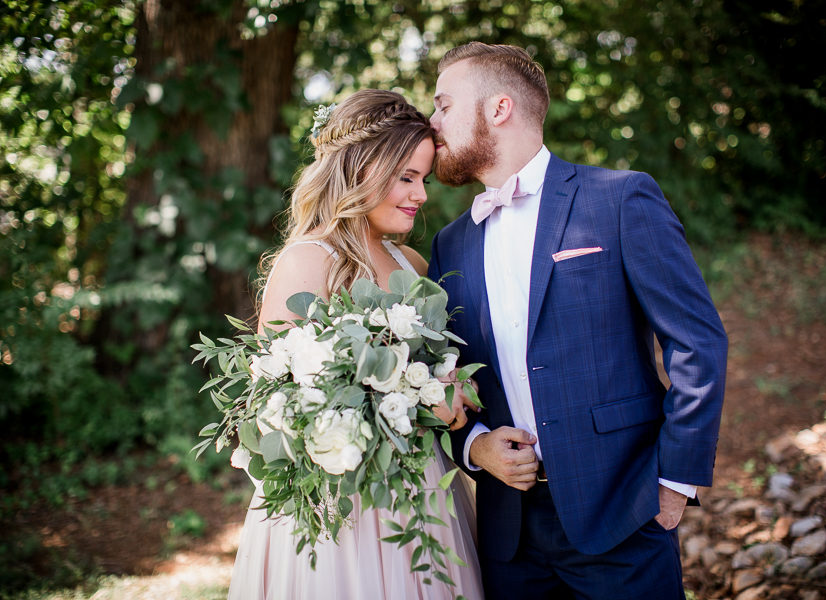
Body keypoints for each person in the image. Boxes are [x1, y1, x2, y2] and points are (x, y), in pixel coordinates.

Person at [427, 42, 728, 599]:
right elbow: (443, 378)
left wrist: (674, 484)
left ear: (498, 108)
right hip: (508, 538)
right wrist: (475, 446)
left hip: (622, 515)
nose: (432, 121)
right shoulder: (450, 245)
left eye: (444, 104)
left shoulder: (618, 199)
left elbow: (696, 342)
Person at [228, 89, 483, 600]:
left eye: (424, 179)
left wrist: (449, 397)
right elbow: (276, 406)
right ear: (359, 170)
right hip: (340, 506)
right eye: (406, 177)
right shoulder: (308, 259)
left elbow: (445, 368)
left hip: (420, 490)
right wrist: (409, 397)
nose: (422, 195)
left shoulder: (412, 264)